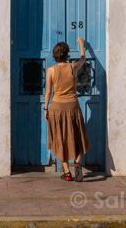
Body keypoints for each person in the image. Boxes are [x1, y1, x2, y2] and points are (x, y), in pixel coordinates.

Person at [44, 37, 90, 182]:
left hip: (57, 108)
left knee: (60, 138)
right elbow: (83, 59)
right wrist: (82, 45)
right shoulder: (72, 67)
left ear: (55, 55)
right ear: (67, 54)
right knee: (78, 137)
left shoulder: (51, 70)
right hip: (73, 106)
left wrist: (46, 108)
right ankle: (77, 164)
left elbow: (48, 92)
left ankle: (67, 173)